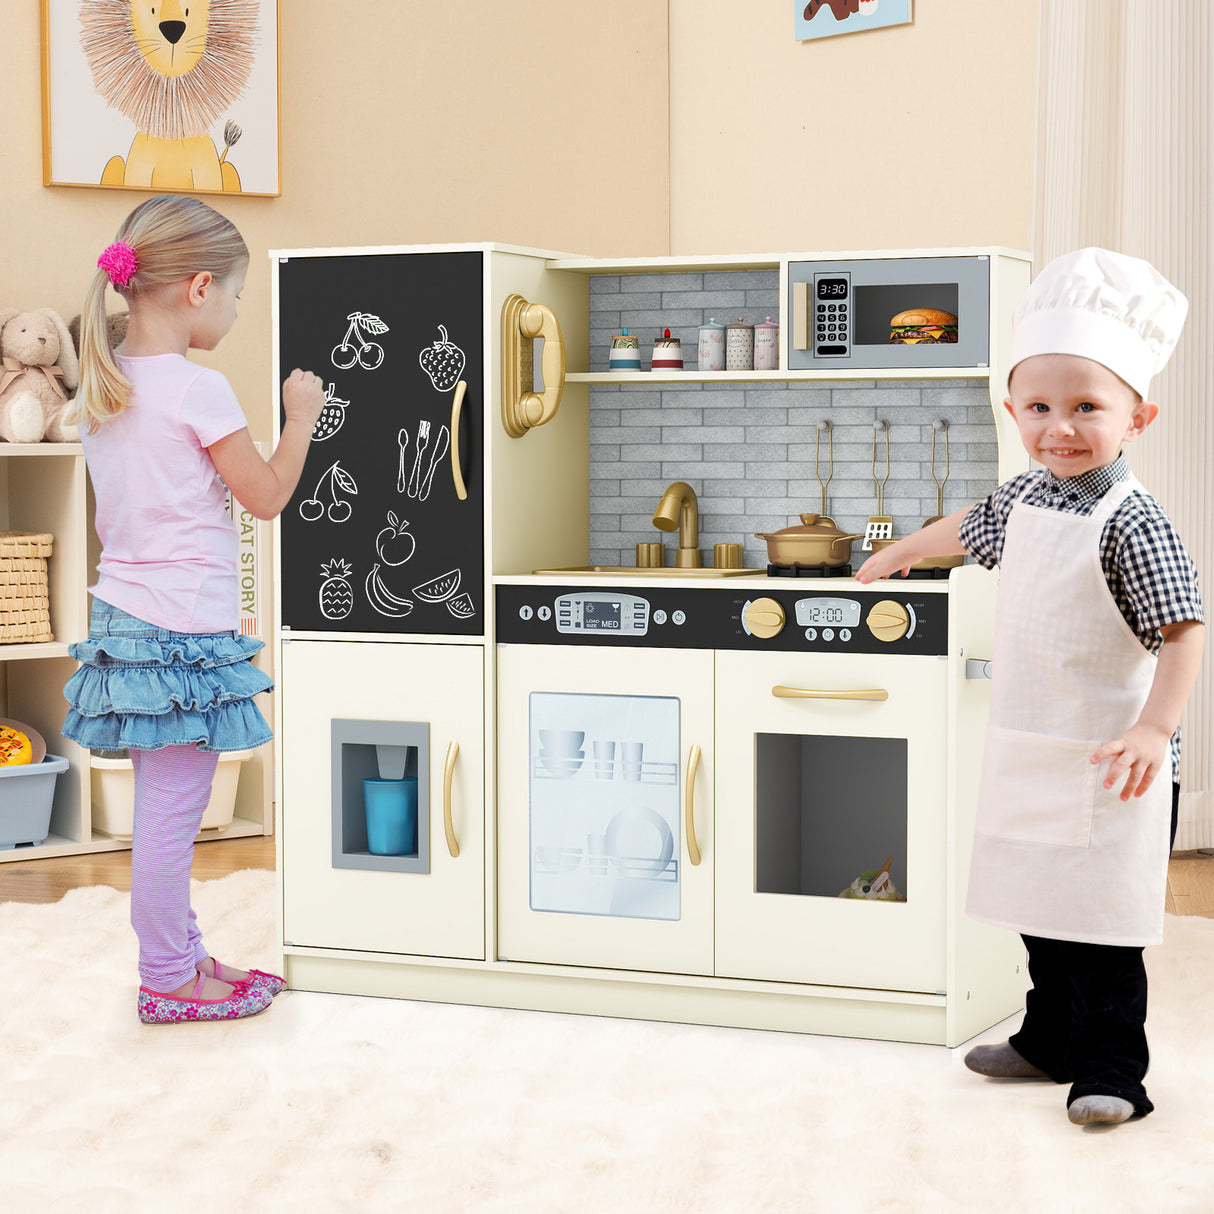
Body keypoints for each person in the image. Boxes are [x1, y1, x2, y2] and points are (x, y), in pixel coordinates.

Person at [857, 247, 1205, 1126]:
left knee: (1102, 932)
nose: (1061, 428)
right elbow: (966, 525)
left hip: (1114, 762)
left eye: (1087, 407)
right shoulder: (1024, 498)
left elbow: (1183, 630)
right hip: (1031, 745)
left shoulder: (1133, 520)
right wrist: (904, 551)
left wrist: (1155, 729)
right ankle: (1047, 1042)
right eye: (1040, 408)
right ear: (1014, 412)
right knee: (1038, 914)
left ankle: (1113, 1072)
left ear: (1137, 417)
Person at [61, 196, 325, 1024]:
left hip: (125, 622)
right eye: (237, 295)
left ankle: (184, 956)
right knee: (172, 818)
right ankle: (169, 977)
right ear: (200, 288)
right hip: (180, 632)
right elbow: (267, 497)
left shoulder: (105, 383)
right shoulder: (198, 389)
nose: (237, 311)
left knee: (161, 809)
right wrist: (301, 420)